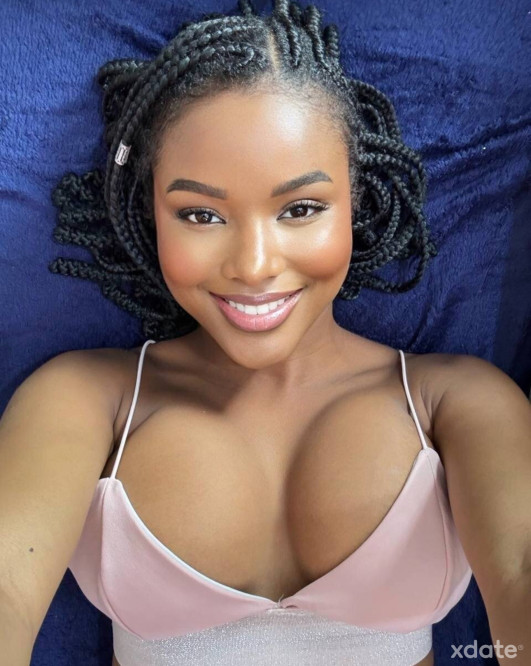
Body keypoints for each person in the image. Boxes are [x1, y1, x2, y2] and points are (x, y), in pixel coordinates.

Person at [1, 1, 529, 664]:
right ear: (148, 212)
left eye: (300, 208)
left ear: (355, 201)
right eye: (200, 215)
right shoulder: (83, 399)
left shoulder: (457, 403)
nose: (253, 266)